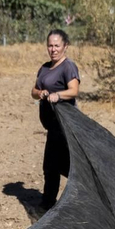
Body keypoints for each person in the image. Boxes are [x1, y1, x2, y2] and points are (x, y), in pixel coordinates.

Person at [30, 28, 80, 211]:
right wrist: (41, 93)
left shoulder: (68, 67)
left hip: (65, 126)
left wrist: (57, 95)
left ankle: (78, 199)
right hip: (52, 126)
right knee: (51, 166)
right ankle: (48, 202)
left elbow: (74, 91)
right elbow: (34, 92)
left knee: (65, 166)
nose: (53, 49)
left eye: (57, 45)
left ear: (65, 46)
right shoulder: (44, 68)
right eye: (50, 46)